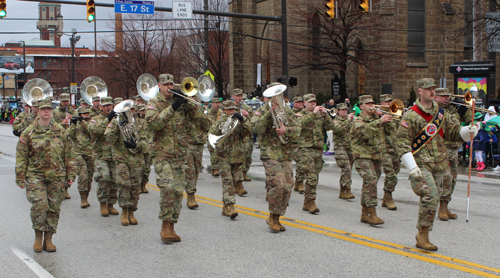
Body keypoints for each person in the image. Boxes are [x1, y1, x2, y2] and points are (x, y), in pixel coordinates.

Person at [397, 78, 477, 251]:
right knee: (431, 196)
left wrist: (468, 132)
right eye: (428, 89)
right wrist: (411, 167)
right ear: (420, 91)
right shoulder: (411, 115)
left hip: (439, 163)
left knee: (432, 198)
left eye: (433, 89)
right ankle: (423, 234)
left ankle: (423, 232)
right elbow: (402, 143)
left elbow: (452, 133)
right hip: (420, 164)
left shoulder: (441, 113)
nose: (432, 92)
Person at [146, 73, 206, 242]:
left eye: (171, 84)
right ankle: (165, 226)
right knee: (168, 188)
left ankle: (172, 226)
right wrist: (172, 108)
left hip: (180, 154)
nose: (169, 87)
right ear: (159, 86)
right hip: (162, 154)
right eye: (165, 85)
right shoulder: (153, 103)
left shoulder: (181, 103)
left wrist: (191, 104)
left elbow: (205, 122)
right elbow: (154, 123)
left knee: (179, 191)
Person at [15, 98, 76, 253]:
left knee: (54, 208)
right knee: (40, 206)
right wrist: (20, 176)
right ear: (38, 111)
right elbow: (21, 155)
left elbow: (68, 153)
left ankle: (49, 239)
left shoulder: (60, 131)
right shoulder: (29, 132)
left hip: (57, 175)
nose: (46, 111)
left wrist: (71, 173)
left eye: (49, 109)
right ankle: (38, 237)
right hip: (36, 175)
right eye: (43, 109)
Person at [253, 86, 300, 232]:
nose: (277, 97)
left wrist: (287, 130)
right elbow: (256, 128)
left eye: (279, 94)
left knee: (288, 186)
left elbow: (298, 130)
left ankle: (278, 216)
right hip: (270, 153)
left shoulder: (288, 111)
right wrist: (269, 113)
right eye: (274, 95)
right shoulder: (262, 110)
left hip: (285, 153)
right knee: (278, 185)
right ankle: (272, 217)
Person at [351, 95, 392, 225]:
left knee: (369, 184)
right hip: (362, 156)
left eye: (372, 103)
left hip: (376, 156)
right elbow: (364, 131)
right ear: (361, 106)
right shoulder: (357, 120)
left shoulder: (378, 118)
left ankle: (364, 213)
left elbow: (391, 132)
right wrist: (380, 121)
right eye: (367, 104)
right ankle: (372, 213)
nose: (371, 106)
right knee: (371, 180)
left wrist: (387, 120)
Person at [105, 102, 148, 226]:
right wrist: (116, 126)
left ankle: (131, 211)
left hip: (136, 159)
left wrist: (136, 145)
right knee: (124, 184)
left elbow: (146, 144)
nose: (130, 112)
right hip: (121, 158)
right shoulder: (115, 122)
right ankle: (124, 210)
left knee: (135, 187)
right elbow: (109, 139)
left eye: (131, 109)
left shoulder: (140, 123)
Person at [434, 87, 472, 220]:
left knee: (453, 179)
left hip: (454, 149)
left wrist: (466, 108)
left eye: (448, 96)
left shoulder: (452, 107)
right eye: (444, 96)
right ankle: (440, 208)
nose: (447, 98)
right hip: (441, 148)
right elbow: (448, 123)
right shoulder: (435, 109)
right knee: (445, 178)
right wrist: (457, 114)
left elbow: (468, 121)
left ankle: (445, 205)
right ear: (435, 97)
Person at [210, 100, 251, 218]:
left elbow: (249, 132)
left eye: (233, 109)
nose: (232, 111)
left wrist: (243, 120)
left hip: (237, 156)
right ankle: (231, 206)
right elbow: (212, 136)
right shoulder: (220, 122)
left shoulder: (239, 121)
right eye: (229, 110)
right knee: (227, 181)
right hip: (224, 156)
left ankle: (225, 206)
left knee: (233, 181)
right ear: (224, 110)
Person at [297, 94, 334, 214]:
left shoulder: (320, 115)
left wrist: (326, 115)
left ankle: (307, 201)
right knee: (311, 176)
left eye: (314, 102)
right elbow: (300, 125)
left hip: (318, 149)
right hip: (305, 148)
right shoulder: (299, 114)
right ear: (304, 103)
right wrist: (313, 113)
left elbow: (331, 127)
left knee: (314, 178)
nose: (313, 104)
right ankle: (312, 202)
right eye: (310, 102)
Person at [88, 97, 120, 217]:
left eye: (109, 105)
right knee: (104, 177)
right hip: (100, 154)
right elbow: (95, 131)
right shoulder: (95, 119)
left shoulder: (116, 119)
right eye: (105, 105)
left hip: (113, 154)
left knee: (114, 180)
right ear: (100, 107)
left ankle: (111, 204)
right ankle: (103, 203)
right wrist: (108, 119)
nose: (108, 108)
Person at [185, 95, 211, 209]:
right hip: (187, 144)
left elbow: (208, 125)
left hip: (199, 144)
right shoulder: (183, 110)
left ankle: (190, 189)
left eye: (194, 98)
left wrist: (197, 111)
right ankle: (191, 195)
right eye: (189, 97)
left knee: (196, 170)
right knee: (190, 170)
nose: (192, 99)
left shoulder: (200, 111)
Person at [66, 107, 94, 208]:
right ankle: (83, 199)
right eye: (83, 114)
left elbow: (91, 132)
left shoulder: (91, 123)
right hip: (78, 153)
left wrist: (83, 122)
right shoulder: (76, 125)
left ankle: (86, 197)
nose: (86, 115)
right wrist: (73, 124)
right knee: (83, 176)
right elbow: (68, 135)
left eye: (87, 113)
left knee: (89, 178)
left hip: (90, 153)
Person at [378, 94, 401, 210]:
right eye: (386, 102)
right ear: (381, 103)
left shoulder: (395, 114)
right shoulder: (378, 115)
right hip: (385, 150)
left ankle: (385, 197)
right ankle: (389, 198)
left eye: (390, 102)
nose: (389, 104)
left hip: (395, 149)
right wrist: (380, 118)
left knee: (394, 173)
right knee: (391, 175)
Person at [331, 103, 355, 199]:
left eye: (346, 110)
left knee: (347, 170)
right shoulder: (335, 121)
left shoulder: (350, 120)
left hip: (350, 147)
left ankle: (342, 190)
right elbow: (337, 130)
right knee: (346, 168)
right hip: (340, 147)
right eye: (342, 110)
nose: (345, 111)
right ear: (338, 111)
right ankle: (348, 189)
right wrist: (348, 121)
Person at [232, 88, 254, 192]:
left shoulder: (247, 108)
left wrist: (247, 116)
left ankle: (244, 173)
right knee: (238, 159)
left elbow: (253, 122)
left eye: (240, 95)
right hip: (235, 137)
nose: (239, 98)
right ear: (233, 96)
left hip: (246, 136)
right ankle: (238, 182)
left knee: (247, 156)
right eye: (237, 96)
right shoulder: (229, 107)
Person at [135, 104, 152, 194]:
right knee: (140, 168)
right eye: (141, 110)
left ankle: (143, 185)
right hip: (140, 147)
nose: (143, 112)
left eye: (144, 110)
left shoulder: (148, 119)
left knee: (147, 168)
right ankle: (138, 186)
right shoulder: (135, 121)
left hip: (148, 147)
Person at [291, 96, 305, 194]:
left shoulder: (306, 113)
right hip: (291, 141)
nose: (300, 104)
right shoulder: (290, 113)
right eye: (298, 102)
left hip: (301, 142)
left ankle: (299, 182)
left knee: (301, 162)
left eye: (301, 102)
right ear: (294, 103)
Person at [208, 98, 222, 176]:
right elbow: (207, 123)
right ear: (212, 104)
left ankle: (217, 167)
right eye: (216, 103)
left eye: (218, 103)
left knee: (219, 152)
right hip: (211, 134)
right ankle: (215, 169)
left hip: (219, 135)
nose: (217, 104)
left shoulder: (221, 112)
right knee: (213, 153)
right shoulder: (208, 113)